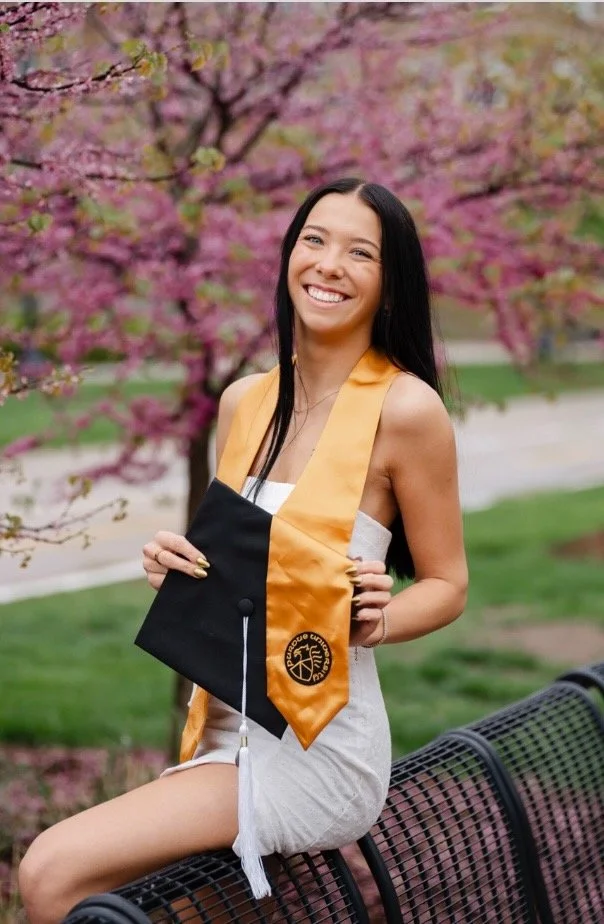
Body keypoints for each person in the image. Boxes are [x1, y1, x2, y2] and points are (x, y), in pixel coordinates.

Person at [19, 177, 468, 923]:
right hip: (223, 725)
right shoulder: (243, 401)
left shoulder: (406, 409)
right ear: (289, 254)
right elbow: (237, 571)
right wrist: (175, 562)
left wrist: (380, 616)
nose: (329, 264)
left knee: (49, 874)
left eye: (361, 252)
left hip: (314, 745)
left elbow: (448, 583)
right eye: (315, 240)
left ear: (390, 284)